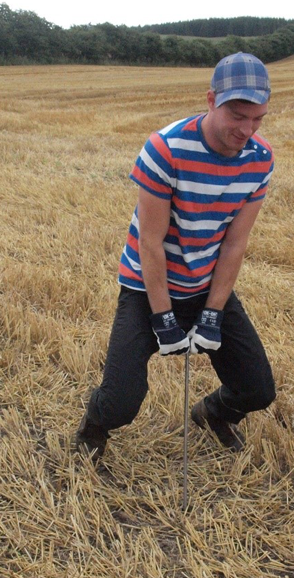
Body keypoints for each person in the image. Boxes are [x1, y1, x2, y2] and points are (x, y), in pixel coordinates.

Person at [75, 51, 276, 461]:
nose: (247, 129)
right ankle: (92, 428)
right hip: (147, 288)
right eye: (238, 115)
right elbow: (150, 243)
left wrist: (213, 312)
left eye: (258, 119)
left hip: (204, 287)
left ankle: (213, 414)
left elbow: (234, 244)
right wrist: (164, 319)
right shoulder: (165, 149)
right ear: (210, 100)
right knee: (121, 402)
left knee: (258, 390)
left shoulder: (260, 160)